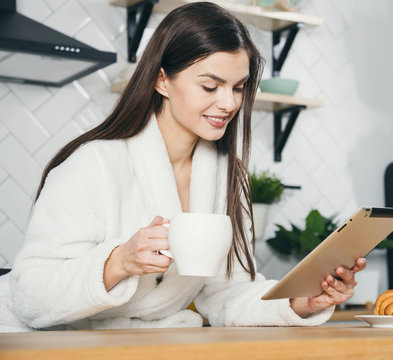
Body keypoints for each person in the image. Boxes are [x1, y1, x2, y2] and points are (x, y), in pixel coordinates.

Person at [0, 1, 366, 331]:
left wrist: (301, 302)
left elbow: (227, 294)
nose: (228, 103)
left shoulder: (227, 178)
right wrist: (118, 262)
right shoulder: (93, 163)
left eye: (238, 87)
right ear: (162, 80)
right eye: (210, 86)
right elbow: (28, 294)